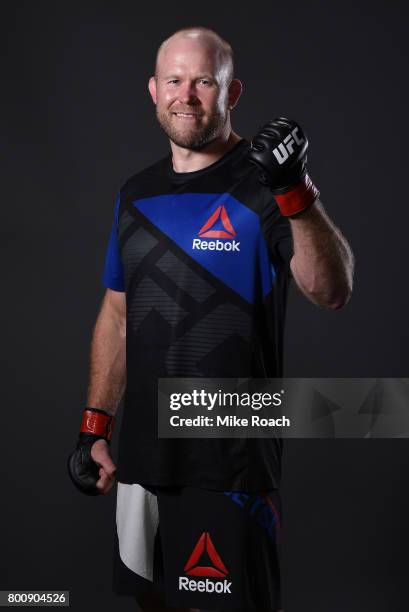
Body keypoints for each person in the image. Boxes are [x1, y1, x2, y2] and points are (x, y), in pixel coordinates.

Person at [68, 26, 354, 612]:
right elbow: (118, 314)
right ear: (153, 89)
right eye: (174, 79)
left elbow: (331, 290)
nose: (187, 95)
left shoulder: (265, 185)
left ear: (233, 92)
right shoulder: (136, 192)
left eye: (204, 80)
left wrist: (295, 189)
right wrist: (94, 426)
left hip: (229, 463)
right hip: (143, 461)